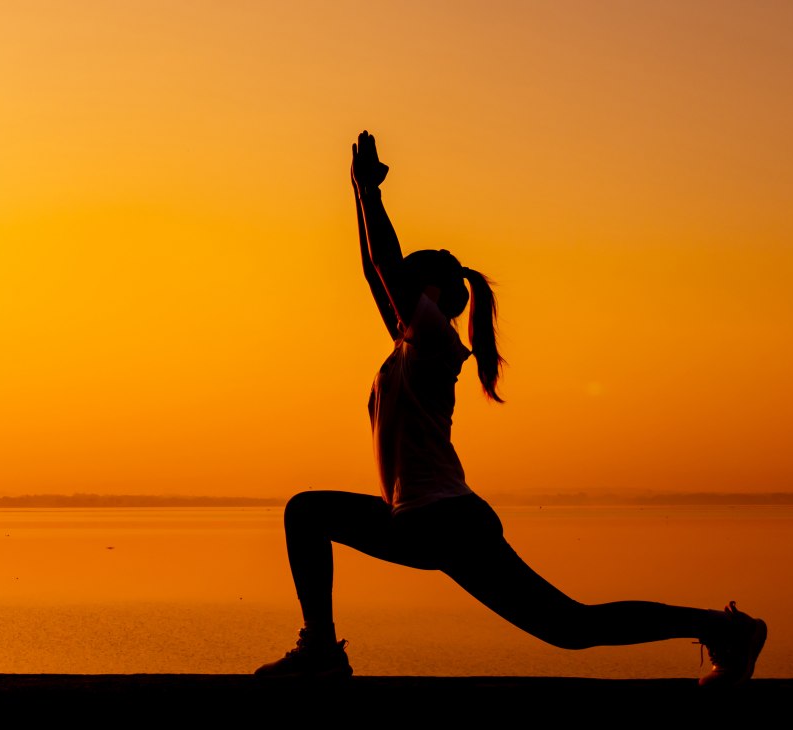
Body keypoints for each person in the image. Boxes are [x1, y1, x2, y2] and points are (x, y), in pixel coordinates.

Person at [254, 130, 767, 687]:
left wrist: (371, 197)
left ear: (427, 292)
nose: (394, 287)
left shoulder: (434, 339)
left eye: (407, 279)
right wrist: (359, 192)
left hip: (445, 521)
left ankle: (724, 629)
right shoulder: (411, 343)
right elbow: (375, 272)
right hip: (417, 519)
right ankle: (322, 650)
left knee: (571, 626)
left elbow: (385, 267)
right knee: (306, 512)